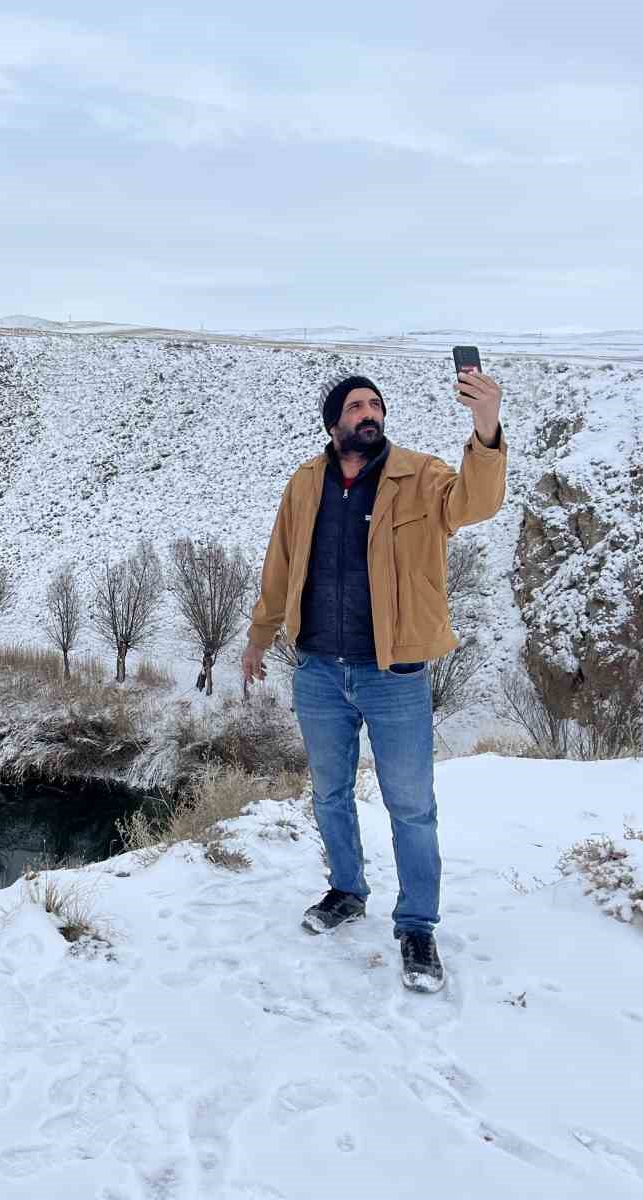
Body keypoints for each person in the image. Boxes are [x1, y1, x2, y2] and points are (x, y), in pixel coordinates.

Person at [240, 367, 507, 992]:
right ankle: (347, 890)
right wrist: (259, 638)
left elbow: (478, 502)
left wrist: (486, 427)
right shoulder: (306, 482)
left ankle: (417, 926)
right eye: (357, 405)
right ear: (334, 422)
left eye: (376, 404)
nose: (369, 413)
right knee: (330, 794)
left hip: (394, 673)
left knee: (411, 806)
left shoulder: (423, 476)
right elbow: (279, 566)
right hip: (318, 671)